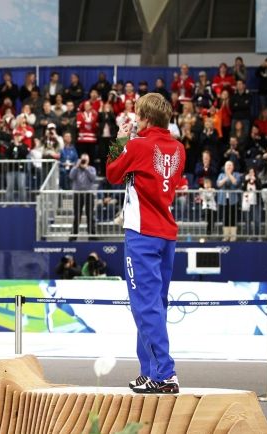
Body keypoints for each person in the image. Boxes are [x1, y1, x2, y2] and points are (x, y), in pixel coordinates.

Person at [106, 93, 185, 394]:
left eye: (138, 116)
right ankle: (149, 370)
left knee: (144, 306)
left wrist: (120, 141)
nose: (135, 121)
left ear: (146, 118)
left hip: (141, 233)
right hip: (166, 233)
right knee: (155, 305)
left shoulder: (138, 146)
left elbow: (113, 173)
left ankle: (165, 373)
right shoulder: (178, 149)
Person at [69, 153, 97, 241]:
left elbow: (93, 178)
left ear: (88, 160)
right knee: (77, 215)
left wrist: (86, 168)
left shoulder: (92, 169)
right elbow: (71, 176)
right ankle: (74, 235)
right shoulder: (76, 168)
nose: (84, 161)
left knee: (90, 215)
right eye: (82, 159)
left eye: (86, 159)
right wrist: (76, 166)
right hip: (78, 194)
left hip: (89, 194)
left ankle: (91, 235)